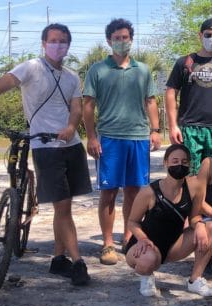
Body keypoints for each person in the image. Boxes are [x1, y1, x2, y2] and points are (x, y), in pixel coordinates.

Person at [0, 23, 92, 285]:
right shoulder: (31, 67)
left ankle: (58, 259)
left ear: (68, 46)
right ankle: (78, 262)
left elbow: (76, 108)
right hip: (44, 146)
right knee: (63, 208)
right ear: (43, 43)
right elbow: (3, 84)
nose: (58, 45)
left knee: (65, 208)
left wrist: (71, 127)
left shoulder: (73, 77)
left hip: (70, 145)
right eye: (53, 40)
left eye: (63, 41)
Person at [83, 18, 161, 265]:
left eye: (125, 37)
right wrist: (92, 136)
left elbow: (151, 101)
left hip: (138, 138)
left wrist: (156, 130)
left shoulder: (144, 70)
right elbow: (88, 105)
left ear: (131, 39)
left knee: (134, 192)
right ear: (109, 40)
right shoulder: (97, 70)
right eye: (116, 38)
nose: (121, 41)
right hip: (109, 139)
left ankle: (129, 238)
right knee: (108, 192)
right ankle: (107, 244)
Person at [125, 144, 212, 297]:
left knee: (211, 228)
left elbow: (194, 216)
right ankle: (146, 276)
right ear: (165, 163)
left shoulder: (195, 187)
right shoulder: (149, 192)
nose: (179, 165)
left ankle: (195, 280)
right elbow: (132, 222)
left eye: (184, 161)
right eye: (175, 161)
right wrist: (142, 239)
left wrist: (199, 225)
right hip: (146, 245)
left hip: (174, 245)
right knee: (148, 260)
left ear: (189, 164)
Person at [165, 18, 212, 175]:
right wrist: (173, 125)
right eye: (208, 35)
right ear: (200, 35)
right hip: (189, 128)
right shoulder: (184, 62)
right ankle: (191, 200)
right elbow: (171, 92)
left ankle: (208, 201)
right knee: (189, 174)